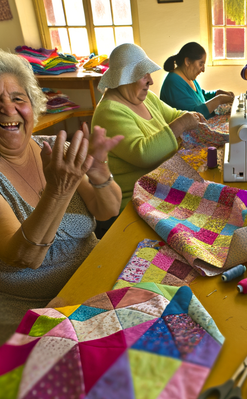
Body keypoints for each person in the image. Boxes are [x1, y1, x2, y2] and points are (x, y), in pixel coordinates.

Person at [0, 50, 123, 343]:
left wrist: (98, 171)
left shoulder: (51, 147)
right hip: (35, 310)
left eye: (18, 99)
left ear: (33, 105)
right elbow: (23, 257)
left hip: (94, 279)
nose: (8, 109)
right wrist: (59, 190)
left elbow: (107, 210)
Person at [92, 43, 203, 212]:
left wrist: (192, 117)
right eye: (143, 75)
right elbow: (143, 153)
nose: (150, 80)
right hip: (135, 201)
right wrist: (182, 124)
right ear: (124, 78)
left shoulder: (145, 97)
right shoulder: (109, 112)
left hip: (159, 188)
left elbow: (173, 115)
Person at [160, 42, 234, 119]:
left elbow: (199, 96)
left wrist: (216, 93)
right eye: (200, 64)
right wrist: (219, 99)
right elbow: (192, 116)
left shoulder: (188, 77)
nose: (203, 69)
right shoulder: (173, 82)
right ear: (187, 61)